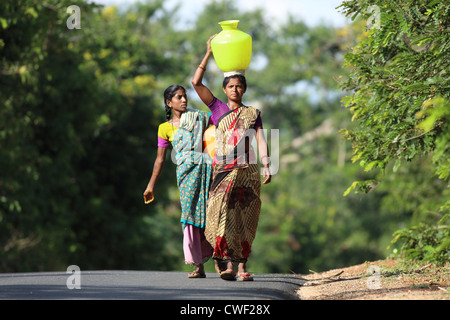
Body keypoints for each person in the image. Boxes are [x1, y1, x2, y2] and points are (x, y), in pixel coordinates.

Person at [191, 35, 271, 281]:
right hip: (223, 171)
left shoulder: (252, 113)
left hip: (247, 171)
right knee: (221, 215)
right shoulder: (217, 109)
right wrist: (208, 53)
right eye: (231, 86)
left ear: (244, 89)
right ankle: (228, 266)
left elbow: (259, 139)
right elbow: (195, 82)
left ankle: (243, 269)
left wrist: (267, 165)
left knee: (245, 217)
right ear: (224, 89)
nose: (235, 89)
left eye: (239, 86)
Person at [143, 85, 213, 278]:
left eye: (185, 96)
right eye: (179, 97)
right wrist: (151, 185)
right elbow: (160, 159)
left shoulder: (200, 118)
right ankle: (198, 265)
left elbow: (217, 127)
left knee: (210, 213)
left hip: (206, 171)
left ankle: (220, 261)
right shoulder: (164, 128)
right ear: (168, 102)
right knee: (189, 216)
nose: (184, 100)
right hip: (185, 176)